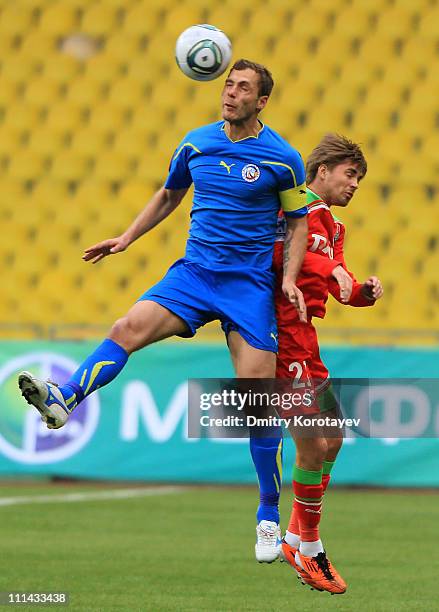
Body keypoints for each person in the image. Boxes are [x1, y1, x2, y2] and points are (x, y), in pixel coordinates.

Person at [18, 59, 309, 561]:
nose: (231, 93)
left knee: (258, 401)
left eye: (243, 88)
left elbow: (298, 222)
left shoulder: (284, 159)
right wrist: (127, 238)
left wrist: (286, 279)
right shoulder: (196, 142)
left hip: (247, 287)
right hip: (195, 275)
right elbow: (170, 193)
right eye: (228, 85)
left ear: (262, 101)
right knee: (126, 326)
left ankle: (267, 515)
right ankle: (65, 398)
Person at [273, 134, 383, 594]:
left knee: (333, 438)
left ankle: (295, 537)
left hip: (307, 340)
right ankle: (311, 549)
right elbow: (277, 258)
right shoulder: (292, 207)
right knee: (312, 446)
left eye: (358, 177)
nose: (354, 184)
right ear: (323, 171)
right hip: (278, 333)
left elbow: (341, 283)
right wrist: (324, 267)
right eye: (350, 174)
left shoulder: (334, 228)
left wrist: (361, 293)